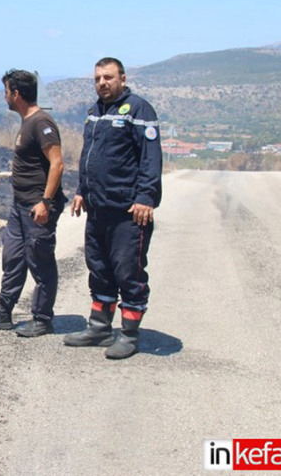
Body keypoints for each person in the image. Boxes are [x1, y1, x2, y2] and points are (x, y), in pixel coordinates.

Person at [63, 57, 162, 359]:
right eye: (97, 78)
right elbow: (88, 156)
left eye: (108, 77)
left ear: (122, 78)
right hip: (97, 209)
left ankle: (129, 335)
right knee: (100, 269)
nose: (102, 83)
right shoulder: (95, 112)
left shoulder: (138, 109)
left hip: (127, 212)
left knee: (127, 271)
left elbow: (150, 158)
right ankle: (99, 327)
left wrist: (146, 197)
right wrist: (81, 190)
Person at [0, 69, 66, 337]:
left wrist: (45, 202)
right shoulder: (27, 121)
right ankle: (3, 311)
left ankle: (43, 318)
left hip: (38, 208)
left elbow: (57, 163)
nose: (5, 97)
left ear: (17, 94)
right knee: (12, 257)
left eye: (7, 92)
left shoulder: (41, 122)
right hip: (19, 206)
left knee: (40, 261)